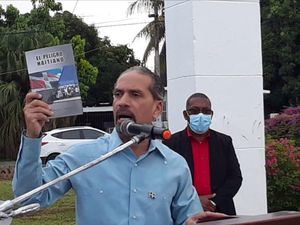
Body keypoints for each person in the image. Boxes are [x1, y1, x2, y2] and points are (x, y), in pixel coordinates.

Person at [13, 67, 227, 225]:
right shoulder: (84, 157)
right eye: (118, 94)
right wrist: (33, 135)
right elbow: (30, 198)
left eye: (135, 94)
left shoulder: (175, 165)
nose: (122, 102)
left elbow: (188, 219)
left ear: (157, 108)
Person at [164, 93, 243, 215]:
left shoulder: (224, 142)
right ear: (186, 115)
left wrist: (214, 202)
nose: (201, 115)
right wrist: (195, 201)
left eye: (206, 111)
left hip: (221, 212)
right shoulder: (171, 143)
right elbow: (167, 181)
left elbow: (235, 177)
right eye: (194, 111)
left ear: (211, 115)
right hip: (184, 213)